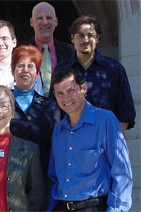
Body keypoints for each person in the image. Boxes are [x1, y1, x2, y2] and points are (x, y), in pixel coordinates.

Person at [49, 66, 133, 211]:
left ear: (84, 88)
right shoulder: (58, 130)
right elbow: (53, 176)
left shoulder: (105, 120)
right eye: (60, 93)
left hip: (94, 207)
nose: (66, 98)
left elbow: (121, 171)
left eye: (71, 91)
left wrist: (116, 209)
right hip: (61, 206)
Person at [54, 15, 136, 132]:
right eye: (80, 35)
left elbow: (126, 113)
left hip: (105, 142)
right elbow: (54, 111)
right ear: (72, 38)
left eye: (90, 35)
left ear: (97, 38)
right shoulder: (61, 70)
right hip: (71, 141)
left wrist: (111, 141)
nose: (85, 40)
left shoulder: (114, 69)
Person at [9, 45, 58, 189]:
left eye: (31, 66)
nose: (25, 70)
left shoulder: (50, 106)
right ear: (13, 71)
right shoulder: (1, 102)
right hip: (9, 177)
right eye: (20, 66)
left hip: (42, 177)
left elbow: (55, 143)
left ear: (37, 73)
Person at [24, 1, 74, 96]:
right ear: (31, 22)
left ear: (56, 21)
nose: (44, 22)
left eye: (49, 18)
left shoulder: (70, 51)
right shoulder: (21, 50)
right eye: (39, 18)